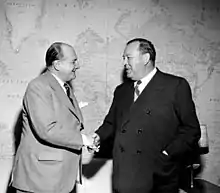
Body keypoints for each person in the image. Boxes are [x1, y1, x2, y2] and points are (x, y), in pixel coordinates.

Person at [93, 38, 201, 193]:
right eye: (123, 58)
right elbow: (110, 123)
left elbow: (191, 130)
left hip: (157, 176)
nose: (124, 63)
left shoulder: (175, 86)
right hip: (123, 175)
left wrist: (167, 154)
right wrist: (98, 136)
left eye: (128, 58)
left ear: (145, 58)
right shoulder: (121, 91)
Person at [11, 42, 96, 193]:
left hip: (56, 178)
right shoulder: (39, 87)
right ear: (57, 64)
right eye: (73, 61)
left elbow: (69, 125)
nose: (77, 66)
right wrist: (84, 140)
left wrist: (88, 140)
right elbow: (47, 130)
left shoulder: (64, 88)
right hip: (40, 179)